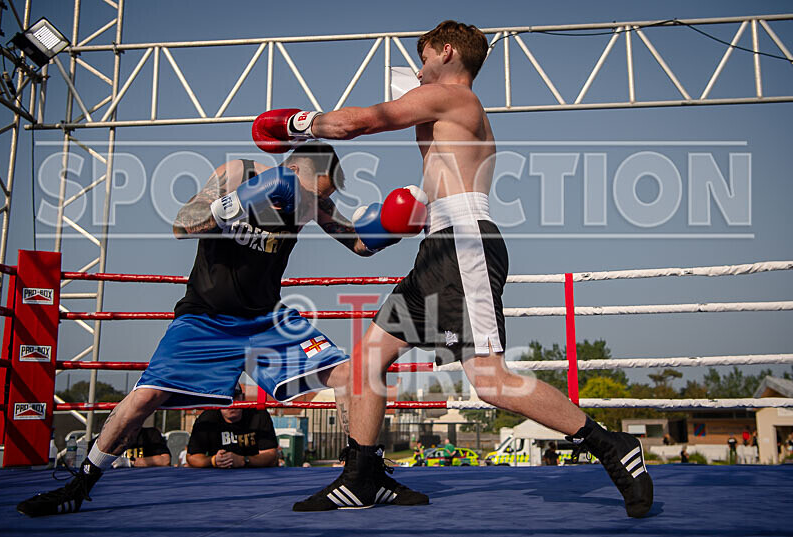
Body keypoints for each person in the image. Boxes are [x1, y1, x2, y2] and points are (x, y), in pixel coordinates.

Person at [252, 20, 653, 516]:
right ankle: (361, 477)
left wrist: (295, 124)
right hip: (437, 251)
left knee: (489, 381)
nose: (419, 71)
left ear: (446, 52)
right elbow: (420, 146)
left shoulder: (454, 99)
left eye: (424, 59)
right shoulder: (446, 111)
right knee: (367, 362)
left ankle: (610, 444)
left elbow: (358, 122)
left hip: (464, 246)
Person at [17, 142, 423, 517]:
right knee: (146, 396)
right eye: (318, 192)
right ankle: (81, 482)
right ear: (296, 170)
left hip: (267, 320)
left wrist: (391, 229)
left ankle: (363, 473)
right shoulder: (238, 173)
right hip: (205, 318)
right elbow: (182, 224)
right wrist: (228, 207)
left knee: (350, 375)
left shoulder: (311, 203)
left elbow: (358, 244)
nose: (320, 203)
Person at [186, 387, 278, 468]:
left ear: (243, 398)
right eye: (225, 398)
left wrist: (244, 460)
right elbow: (192, 457)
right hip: (217, 477)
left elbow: (270, 454)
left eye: (235, 397)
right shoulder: (207, 419)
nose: (231, 404)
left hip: (255, 475)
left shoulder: (258, 415)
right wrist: (213, 461)